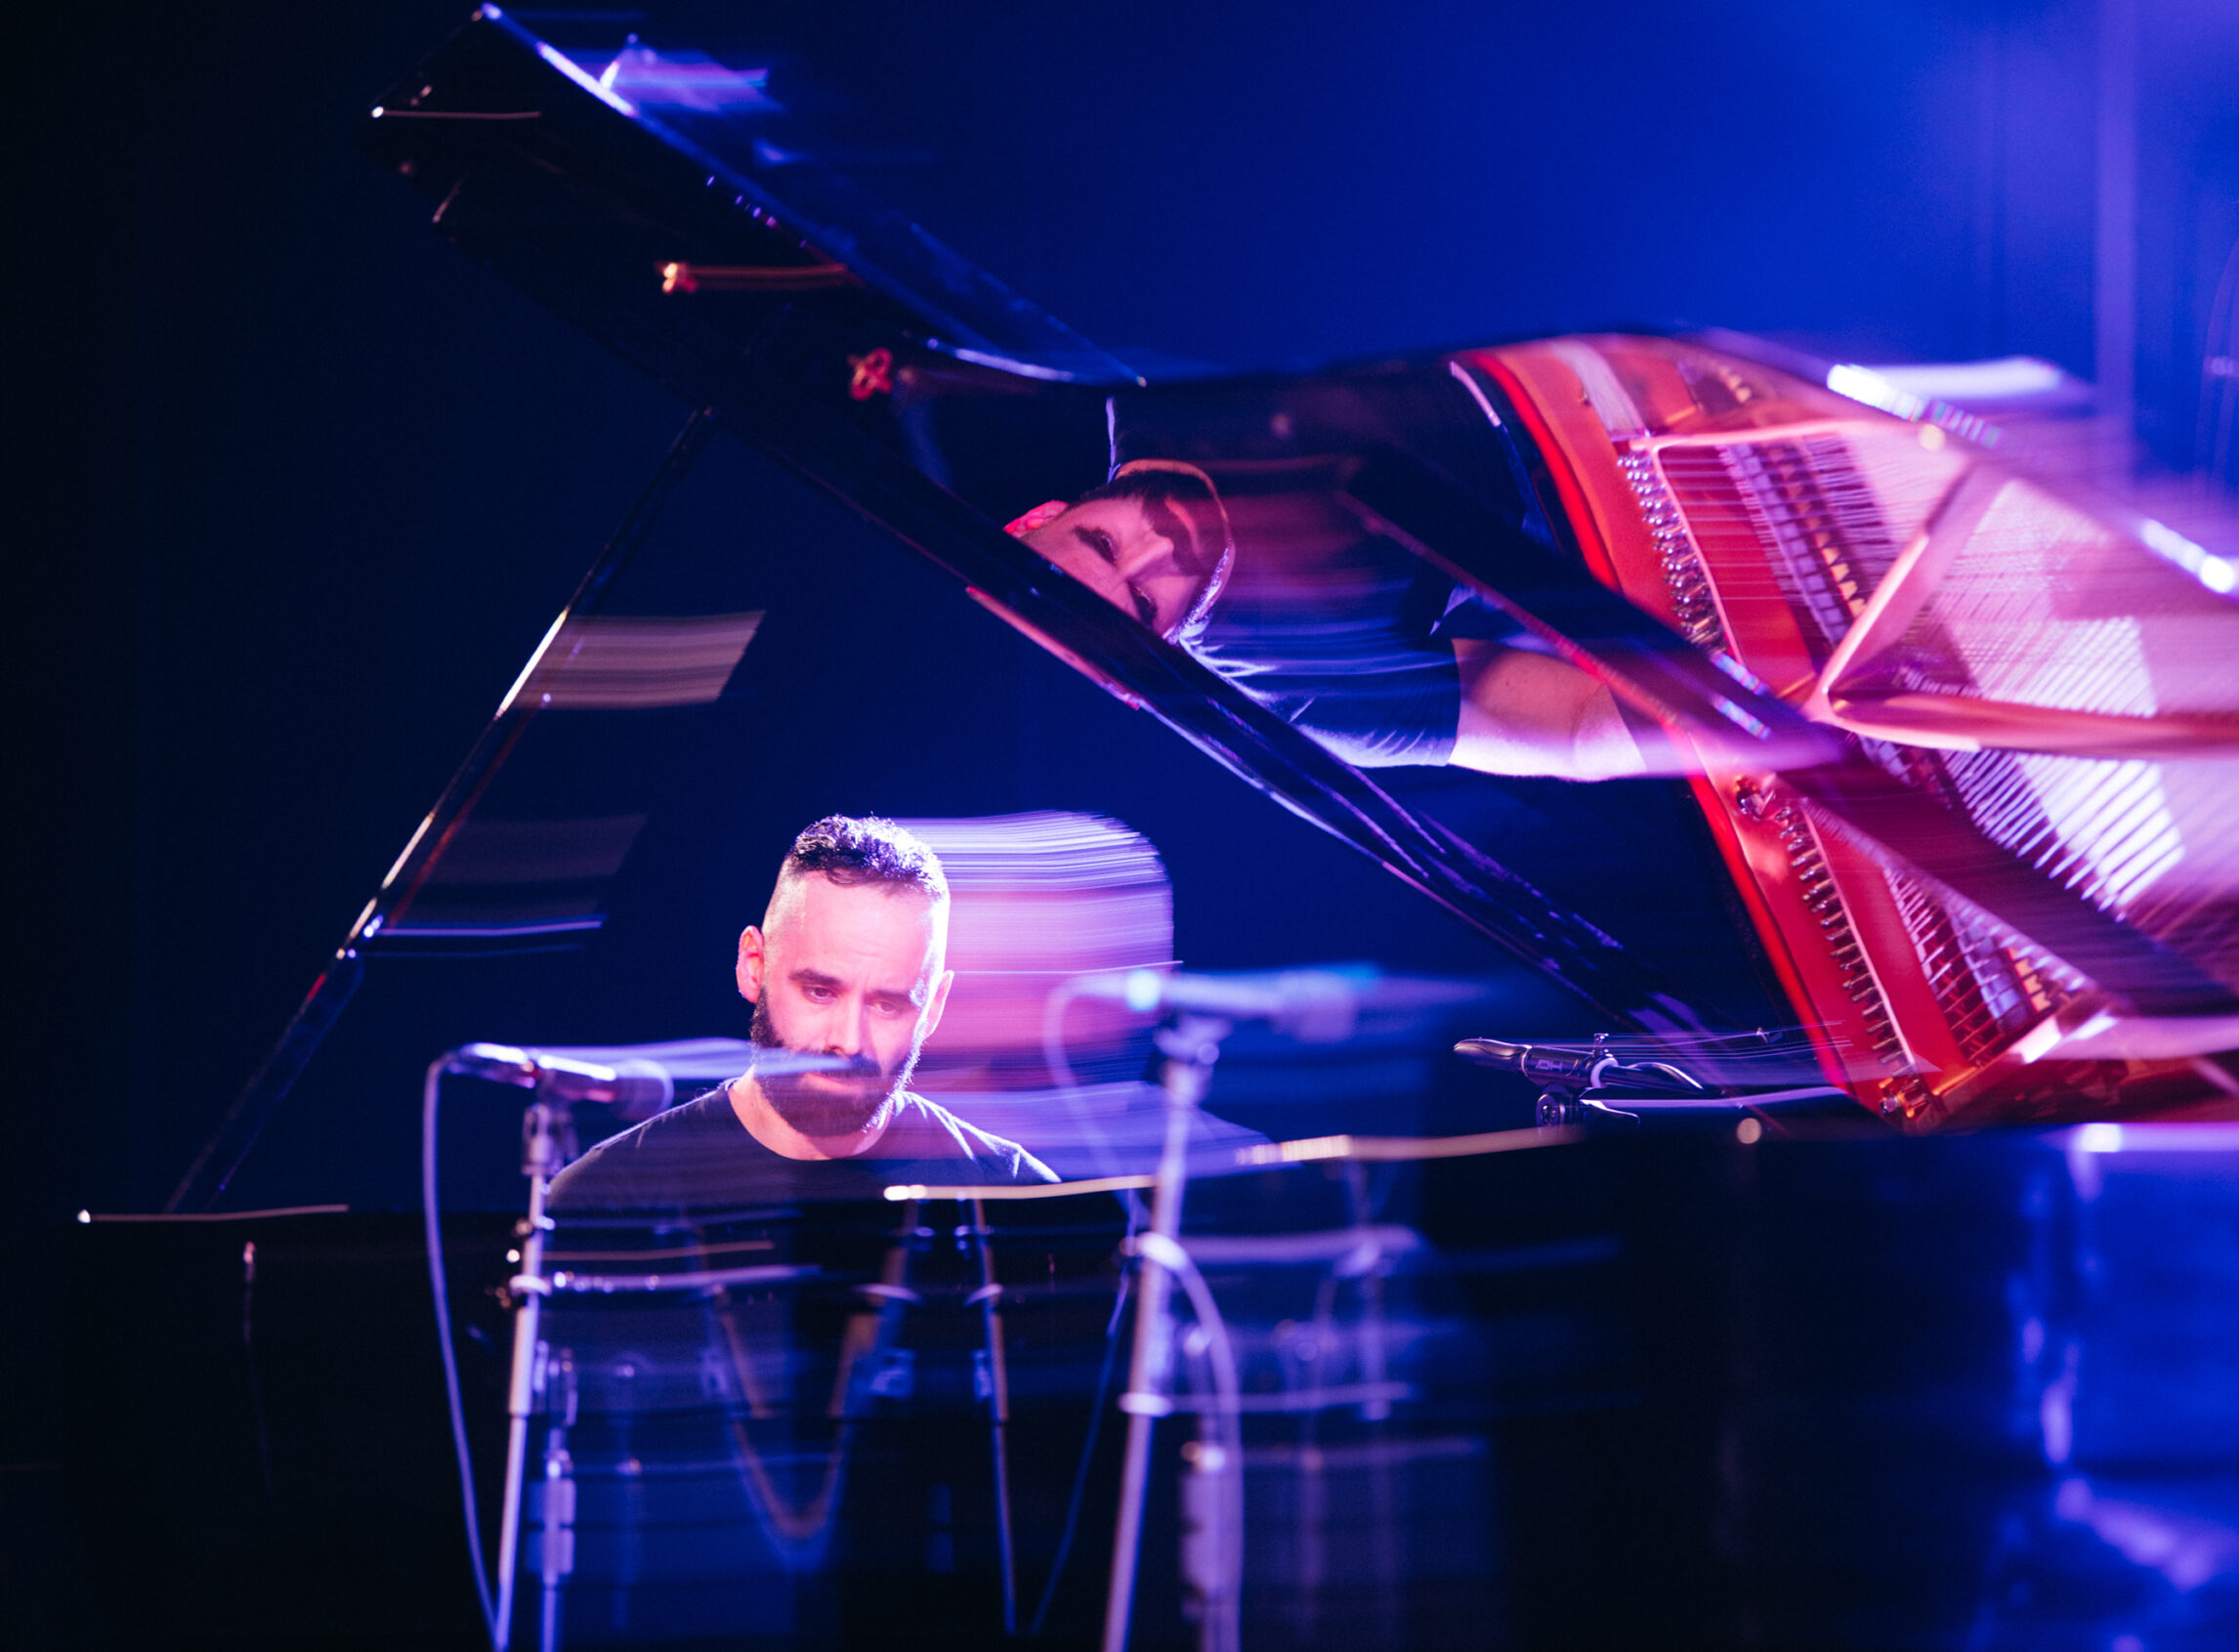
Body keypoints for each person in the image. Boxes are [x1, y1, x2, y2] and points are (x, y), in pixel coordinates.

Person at [1006, 459, 1696, 782]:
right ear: (1154, 652)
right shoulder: (1300, 690)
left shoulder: (1146, 368)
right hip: (1655, 526)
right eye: (1146, 603)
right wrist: (1741, 716)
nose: (1162, 549)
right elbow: (1576, 731)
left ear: (1038, 517)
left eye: (1102, 542)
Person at [549, 816, 1054, 1211]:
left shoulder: (1014, 1199)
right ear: (754, 967)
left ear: (933, 1009)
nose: (849, 1041)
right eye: (820, 992)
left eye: (886, 1004)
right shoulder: (604, 1201)